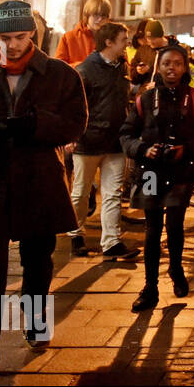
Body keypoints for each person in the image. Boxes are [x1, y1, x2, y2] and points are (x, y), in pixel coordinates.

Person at [0, 1, 87, 386]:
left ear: (33, 35)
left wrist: (37, 125)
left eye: (19, 37)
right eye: (3, 37)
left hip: (38, 184)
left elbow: (76, 123)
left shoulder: (59, 75)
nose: (11, 45)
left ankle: (35, 319)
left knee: (38, 263)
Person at [120, 44, 194, 312]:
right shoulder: (145, 100)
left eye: (176, 63)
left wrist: (187, 149)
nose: (171, 68)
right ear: (158, 68)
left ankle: (176, 268)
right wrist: (143, 149)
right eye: (165, 63)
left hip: (181, 169)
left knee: (175, 225)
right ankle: (149, 287)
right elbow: (125, 134)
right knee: (152, 231)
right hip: (149, 170)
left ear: (184, 67)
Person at [68, 20, 139, 259]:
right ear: (108, 42)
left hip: (115, 141)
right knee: (80, 192)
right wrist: (74, 135)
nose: (127, 44)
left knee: (112, 193)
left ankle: (111, 242)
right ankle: (76, 234)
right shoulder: (85, 70)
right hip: (88, 141)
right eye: (123, 40)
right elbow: (75, 106)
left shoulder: (121, 67)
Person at [56, 0, 112, 67]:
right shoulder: (69, 38)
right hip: (76, 77)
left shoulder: (112, 39)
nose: (100, 19)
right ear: (87, 15)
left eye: (103, 16)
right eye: (96, 15)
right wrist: (82, 66)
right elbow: (58, 67)